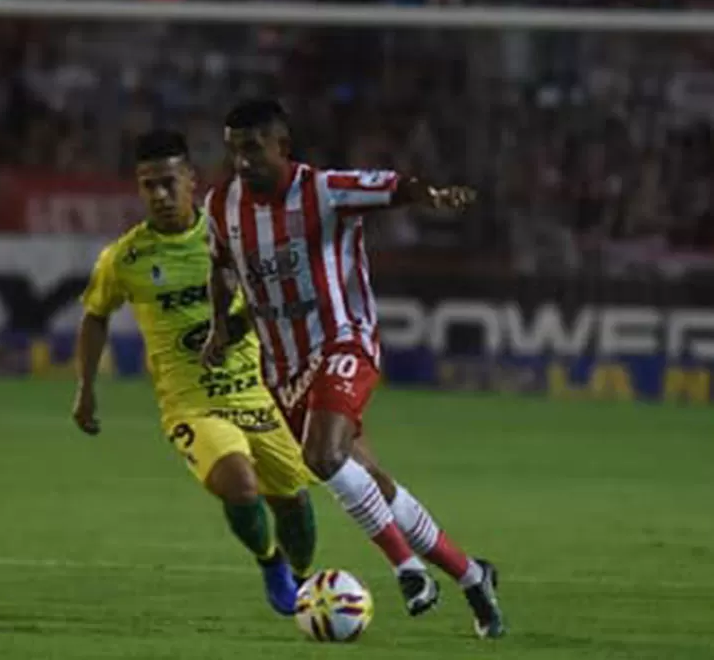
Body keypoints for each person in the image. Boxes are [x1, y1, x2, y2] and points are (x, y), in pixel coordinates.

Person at [203, 98, 506, 639]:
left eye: (253, 148)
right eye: (233, 150)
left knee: (323, 456)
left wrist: (431, 195)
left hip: (344, 339)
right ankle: (471, 575)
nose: (242, 161)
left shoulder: (324, 190)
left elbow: (396, 186)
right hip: (284, 368)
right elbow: (224, 270)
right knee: (373, 483)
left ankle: (407, 570)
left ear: (281, 147)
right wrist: (222, 328)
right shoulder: (221, 206)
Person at [74, 129, 319, 616]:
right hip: (192, 404)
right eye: (149, 185)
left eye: (169, 182)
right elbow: (95, 314)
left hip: (258, 396)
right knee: (240, 484)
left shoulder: (233, 236)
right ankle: (269, 562)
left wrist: (238, 324)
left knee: (294, 503)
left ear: (193, 181)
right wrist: (86, 389)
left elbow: (280, 296)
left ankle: (304, 582)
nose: (160, 195)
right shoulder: (125, 259)